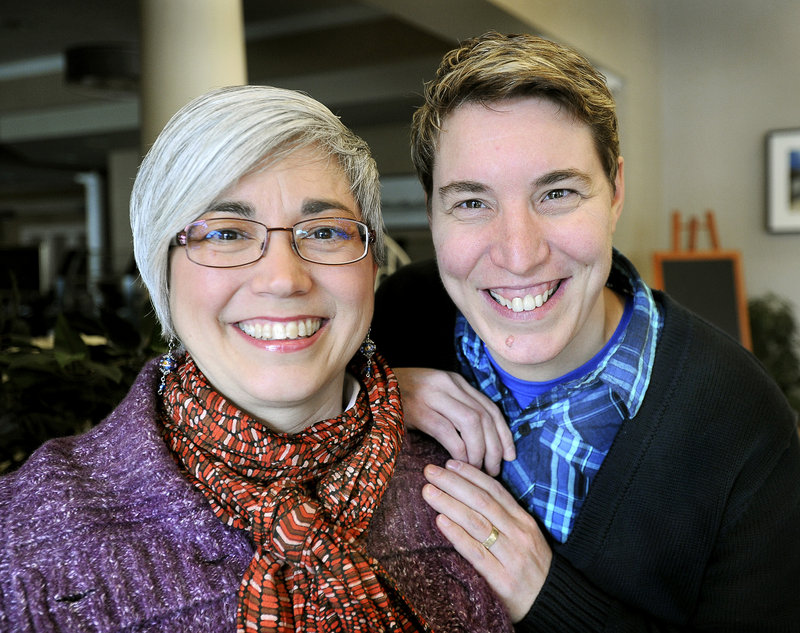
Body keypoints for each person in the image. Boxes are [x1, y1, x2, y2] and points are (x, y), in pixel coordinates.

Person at [0, 85, 512, 633]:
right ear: (163, 273)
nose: (283, 279)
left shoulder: (471, 476)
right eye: (225, 233)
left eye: (324, 232)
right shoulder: (27, 538)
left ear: (371, 266)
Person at [372, 32, 800, 631]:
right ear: (432, 209)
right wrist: (377, 391)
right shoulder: (398, 317)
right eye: (472, 202)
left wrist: (550, 599)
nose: (518, 255)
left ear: (615, 191)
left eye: (558, 193)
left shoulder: (741, 422)